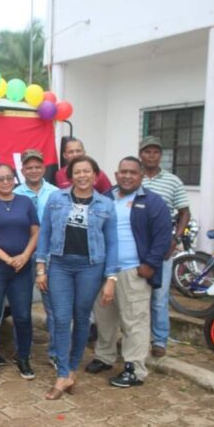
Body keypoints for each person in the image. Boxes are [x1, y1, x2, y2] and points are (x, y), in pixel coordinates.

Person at [35, 155, 119, 400]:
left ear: (95, 175)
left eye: (87, 171)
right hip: (60, 264)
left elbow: (112, 243)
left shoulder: (106, 204)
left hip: (91, 267)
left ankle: (72, 369)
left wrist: (111, 279)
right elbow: (45, 234)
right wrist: (41, 267)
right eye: (77, 172)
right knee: (61, 318)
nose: (82, 176)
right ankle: (62, 374)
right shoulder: (56, 199)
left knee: (82, 318)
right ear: (70, 177)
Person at [86, 157, 171, 387]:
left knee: (135, 321)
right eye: (123, 172)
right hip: (104, 271)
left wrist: (151, 264)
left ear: (141, 175)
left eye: (133, 172)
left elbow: (164, 236)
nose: (127, 176)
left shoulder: (152, 202)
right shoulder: (104, 198)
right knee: (104, 318)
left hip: (133, 271)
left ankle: (135, 369)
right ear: (116, 174)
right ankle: (104, 356)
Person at [0, 164, 39, 379]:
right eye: (0, 179)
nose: (5, 182)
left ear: (15, 179)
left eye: (9, 178)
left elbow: (36, 232)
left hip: (21, 269)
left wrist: (24, 256)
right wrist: (7, 258)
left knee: (22, 316)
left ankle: (23, 357)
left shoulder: (25, 202)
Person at [139, 136, 191, 357]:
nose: (151, 155)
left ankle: (159, 340)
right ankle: (137, 337)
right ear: (141, 154)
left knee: (159, 296)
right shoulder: (134, 178)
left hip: (163, 244)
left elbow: (184, 212)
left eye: (155, 152)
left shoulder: (172, 181)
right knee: (138, 294)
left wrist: (176, 239)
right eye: (147, 151)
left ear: (161, 155)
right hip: (138, 243)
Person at [14, 149, 59, 366]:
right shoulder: (15, 193)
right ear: (22, 169)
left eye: (37, 166)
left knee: (53, 307)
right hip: (22, 255)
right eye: (28, 167)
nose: (33, 170)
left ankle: (55, 353)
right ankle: (22, 350)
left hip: (49, 257)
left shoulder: (56, 193)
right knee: (21, 306)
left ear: (43, 168)